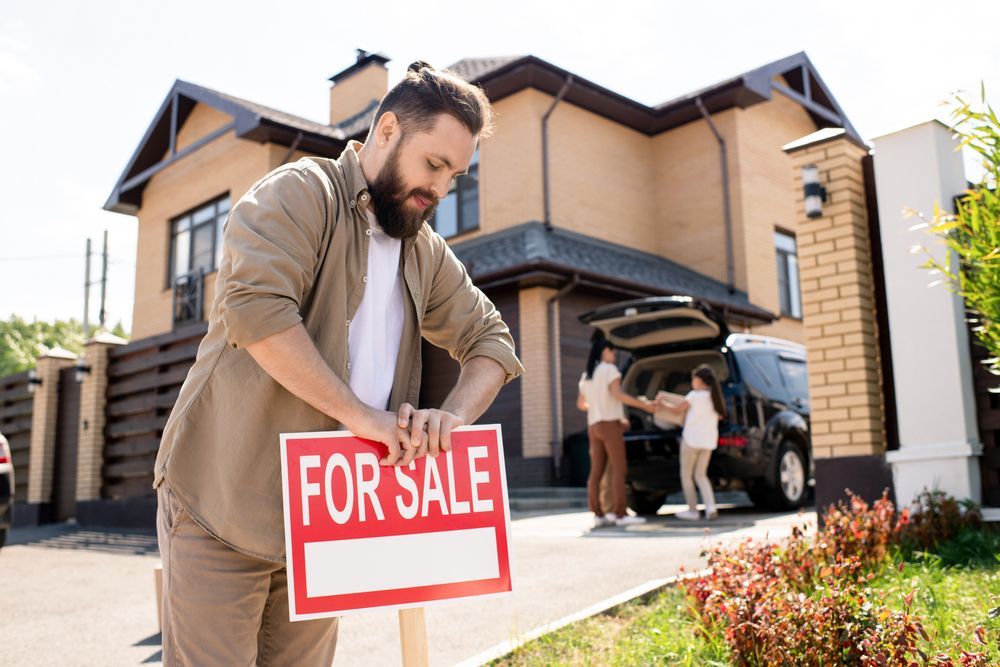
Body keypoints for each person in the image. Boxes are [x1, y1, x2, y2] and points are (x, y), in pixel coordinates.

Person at [153, 61, 524, 665]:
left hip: (323, 525)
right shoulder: (299, 192)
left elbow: (492, 342)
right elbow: (257, 312)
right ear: (386, 131)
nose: (442, 190)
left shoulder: (425, 251)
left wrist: (449, 420)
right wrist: (363, 418)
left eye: (456, 174)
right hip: (224, 501)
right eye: (433, 165)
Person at [577, 337, 655, 528]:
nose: (614, 356)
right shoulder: (610, 370)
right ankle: (620, 514)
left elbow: (581, 405)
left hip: (593, 426)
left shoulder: (587, 375)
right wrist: (644, 405)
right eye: (613, 352)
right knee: (620, 469)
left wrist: (597, 406)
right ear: (605, 351)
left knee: (596, 472)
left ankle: (598, 514)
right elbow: (618, 394)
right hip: (609, 425)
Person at [657, 364, 726, 521]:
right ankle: (710, 508)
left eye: (694, 379)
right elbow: (720, 417)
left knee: (686, 475)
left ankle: (693, 510)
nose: (692, 382)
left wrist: (662, 404)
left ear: (701, 381)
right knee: (701, 475)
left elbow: (676, 410)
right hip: (707, 443)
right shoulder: (714, 399)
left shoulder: (694, 396)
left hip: (691, 441)